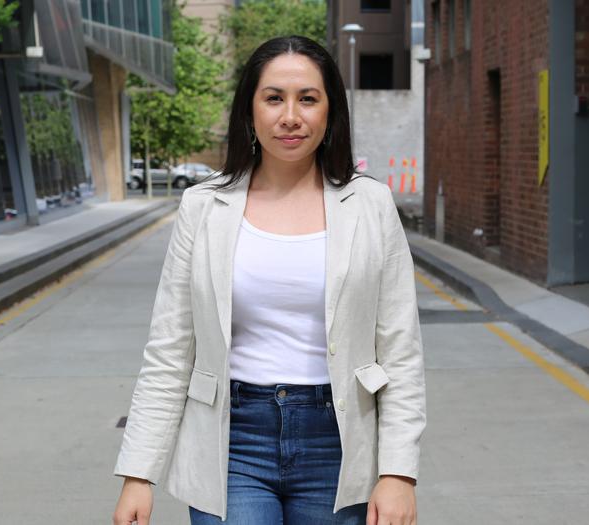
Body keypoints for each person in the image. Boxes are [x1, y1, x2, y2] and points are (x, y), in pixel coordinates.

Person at [112, 35, 426, 525]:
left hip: (339, 438)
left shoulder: (370, 204)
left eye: (308, 99)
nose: (290, 116)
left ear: (330, 111)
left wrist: (399, 473)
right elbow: (170, 347)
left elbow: (400, 349)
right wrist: (138, 473)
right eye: (274, 97)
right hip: (233, 438)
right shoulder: (203, 206)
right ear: (250, 110)